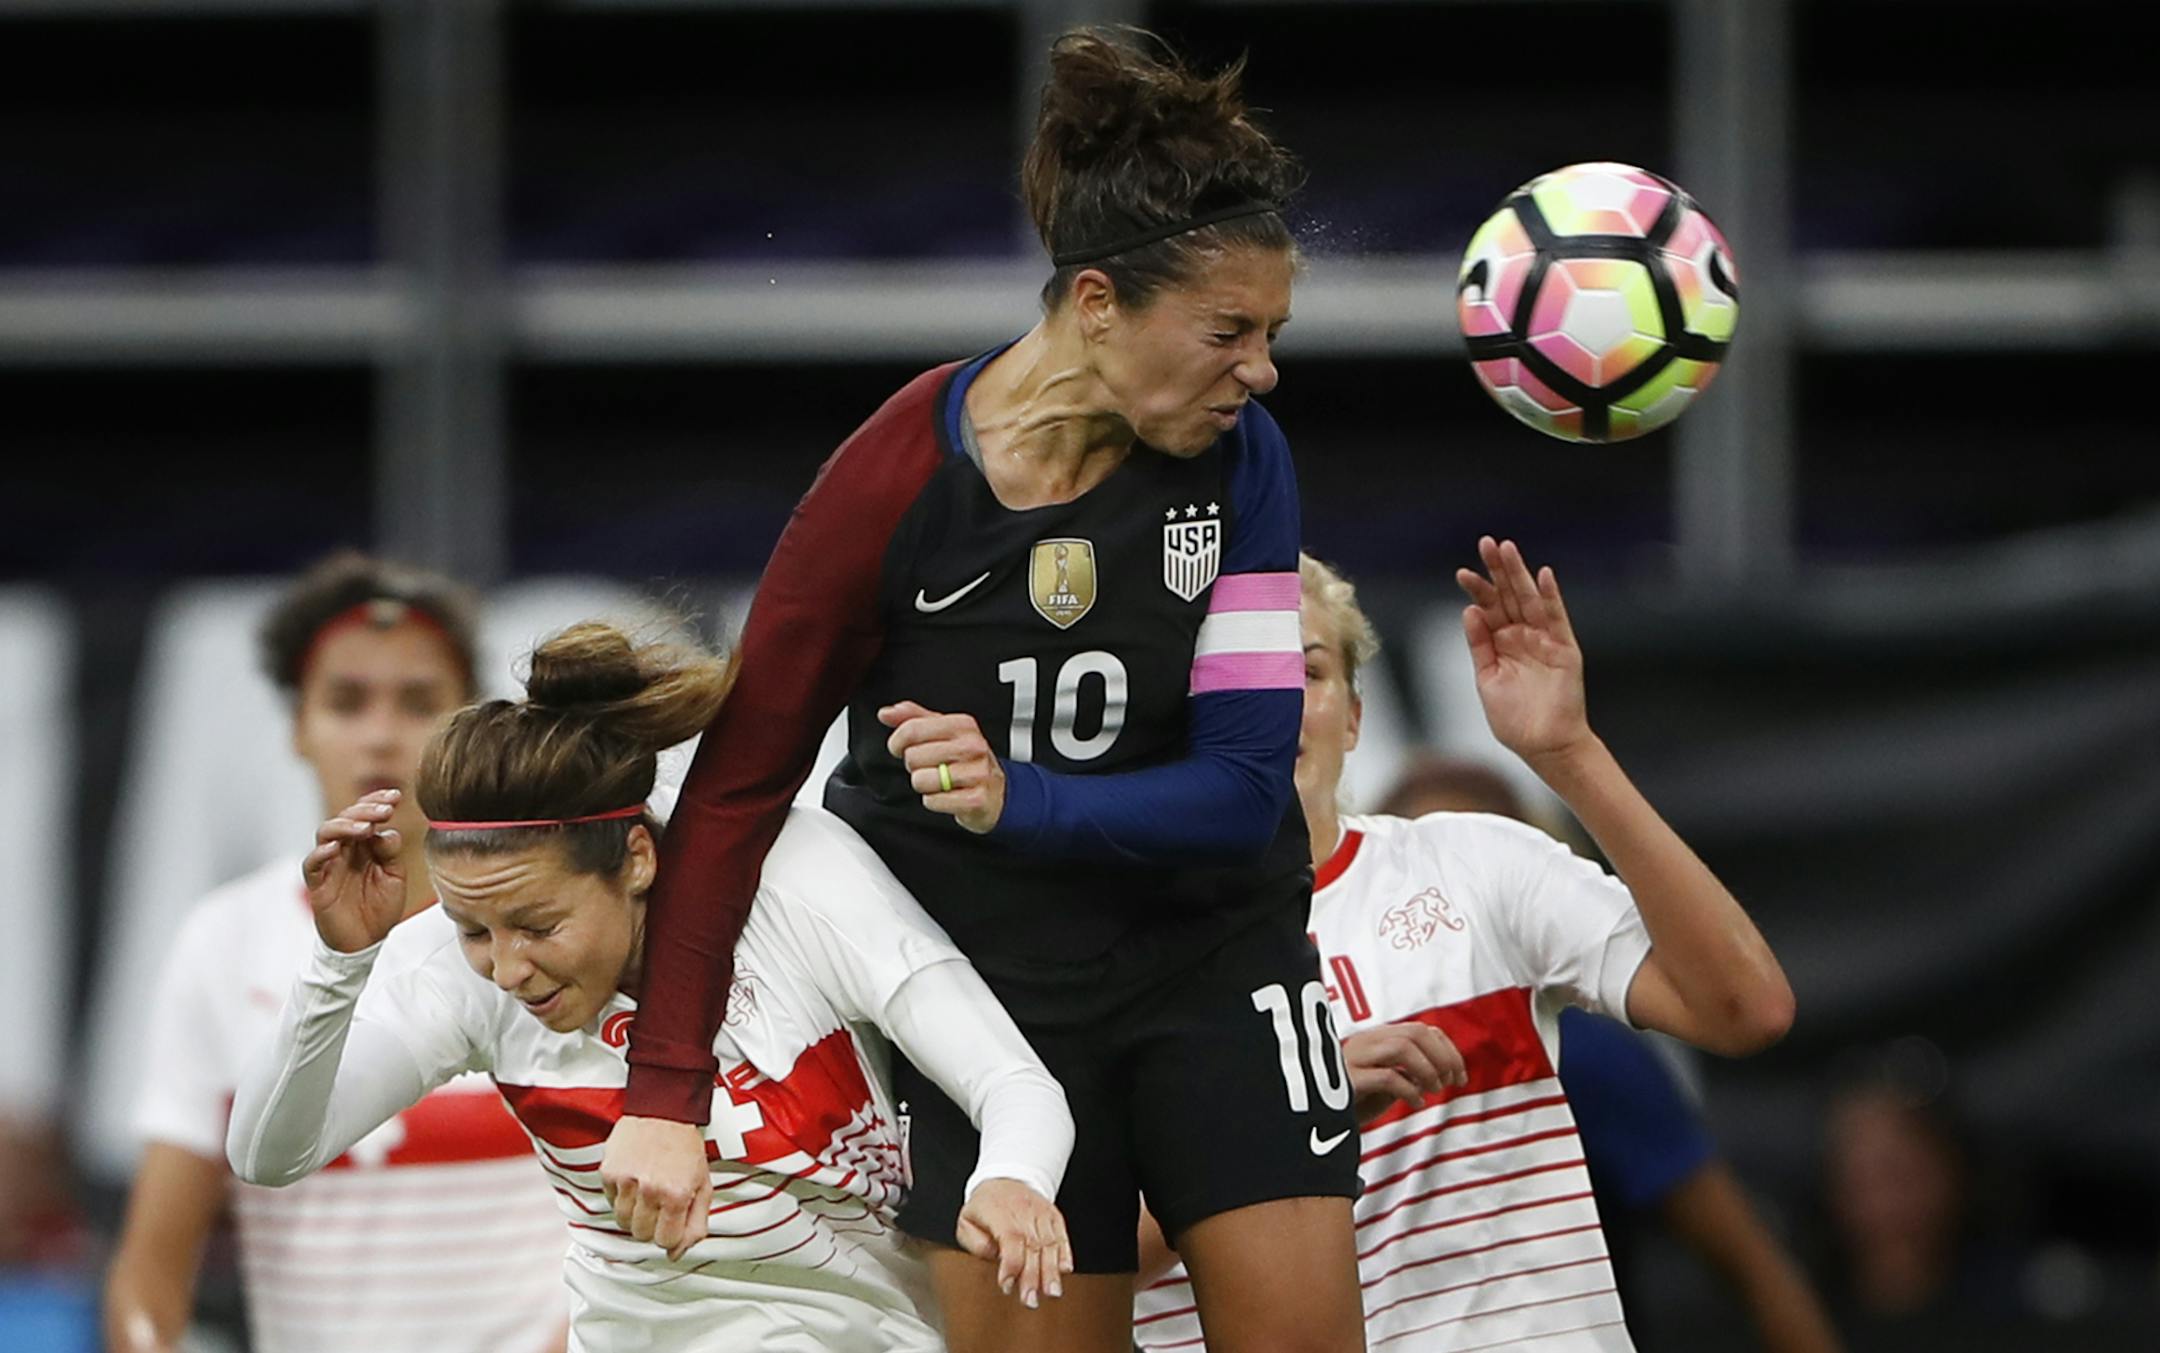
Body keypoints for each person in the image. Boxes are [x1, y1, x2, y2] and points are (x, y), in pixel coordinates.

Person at [603, 29, 1361, 1353]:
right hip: (980, 1000)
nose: (1261, 371)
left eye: (1272, 334)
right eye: (1228, 332)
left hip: (1214, 957)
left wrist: (1023, 799)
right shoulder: (890, 483)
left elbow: (1248, 790)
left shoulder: (1247, 460)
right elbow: (733, 793)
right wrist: (664, 1092)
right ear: (1096, 302)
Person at [226, 622, 1076, 1352]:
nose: (508, 968)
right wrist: (338, 962)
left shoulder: (796, 875)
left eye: (538, 924)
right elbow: (268, 1153)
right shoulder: (454, 965)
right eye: (474, 930)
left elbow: (1016, 1084)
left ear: (637, 859)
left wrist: (1012, 1177)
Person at [1134, 541, 1797, 1351]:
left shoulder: (1474, 865)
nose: (1276, 701)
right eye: (1238, 675)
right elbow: (1067, 1265)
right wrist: (1300, 1113)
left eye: (1307, 671)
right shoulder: (1100, 955)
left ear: (1354, 716)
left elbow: (1747, 1008)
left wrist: (1569, 752)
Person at [103, 553, 569, 1353]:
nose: (381, 734)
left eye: (418, 702)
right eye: (347, 701)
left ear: (469, 726)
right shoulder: (225, 939)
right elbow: (150, 1272)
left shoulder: (558, 928)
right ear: (297, 727)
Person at [1379, 758, 1845, 1353]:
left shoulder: (1586, 1058)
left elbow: (1752, 1264)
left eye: (1484, 864)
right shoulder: (1316, 1061)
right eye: (1426, 880)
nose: (1448, 908)